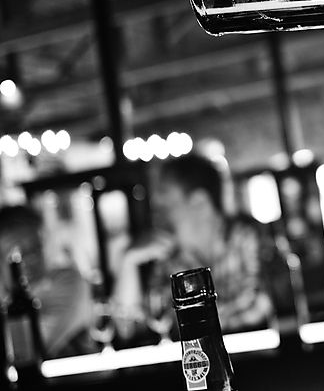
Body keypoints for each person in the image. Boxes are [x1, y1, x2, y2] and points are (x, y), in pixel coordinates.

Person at [112, 153, 273, 338]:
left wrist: (190, 322)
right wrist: (128, 260)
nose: (156, 211)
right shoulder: (169, 258)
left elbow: (263, 305)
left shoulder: (247, 237)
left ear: (200, 202)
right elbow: (129, 329)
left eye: (166, 205)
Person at [0, 204, 94, 358]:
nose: (31, 258)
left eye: (36, 247)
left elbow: (25, 348)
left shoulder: (68, 281)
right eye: (17, 253)